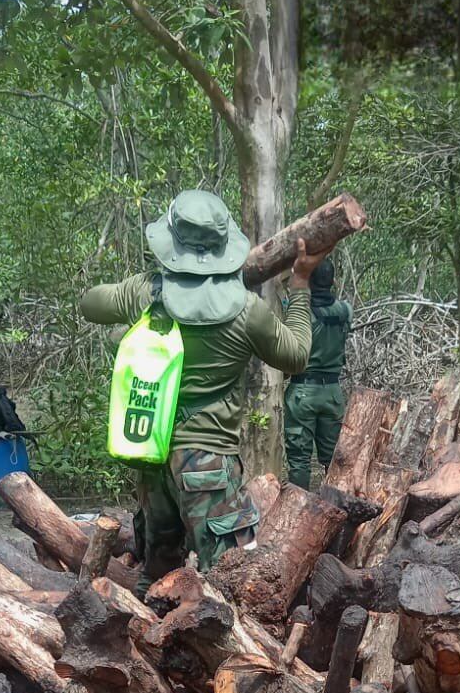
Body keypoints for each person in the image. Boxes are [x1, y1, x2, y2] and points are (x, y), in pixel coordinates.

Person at [79, 190, 328, 594]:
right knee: (232, 584)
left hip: (151, 455)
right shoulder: (247, 310)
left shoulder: (147, 293)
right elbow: (297, 355)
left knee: (156, 578)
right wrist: (299, 284)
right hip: (208, 462)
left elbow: (90, 304)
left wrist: (144, 288)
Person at [284, 256, 352, 488]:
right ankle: (337, 509)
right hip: (333, 392)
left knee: (299, 460)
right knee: (334, 460)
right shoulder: (345, 311)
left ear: (309, 280)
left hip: (303, 391)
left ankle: (297, 511)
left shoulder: (300, 312)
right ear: (332, 280)